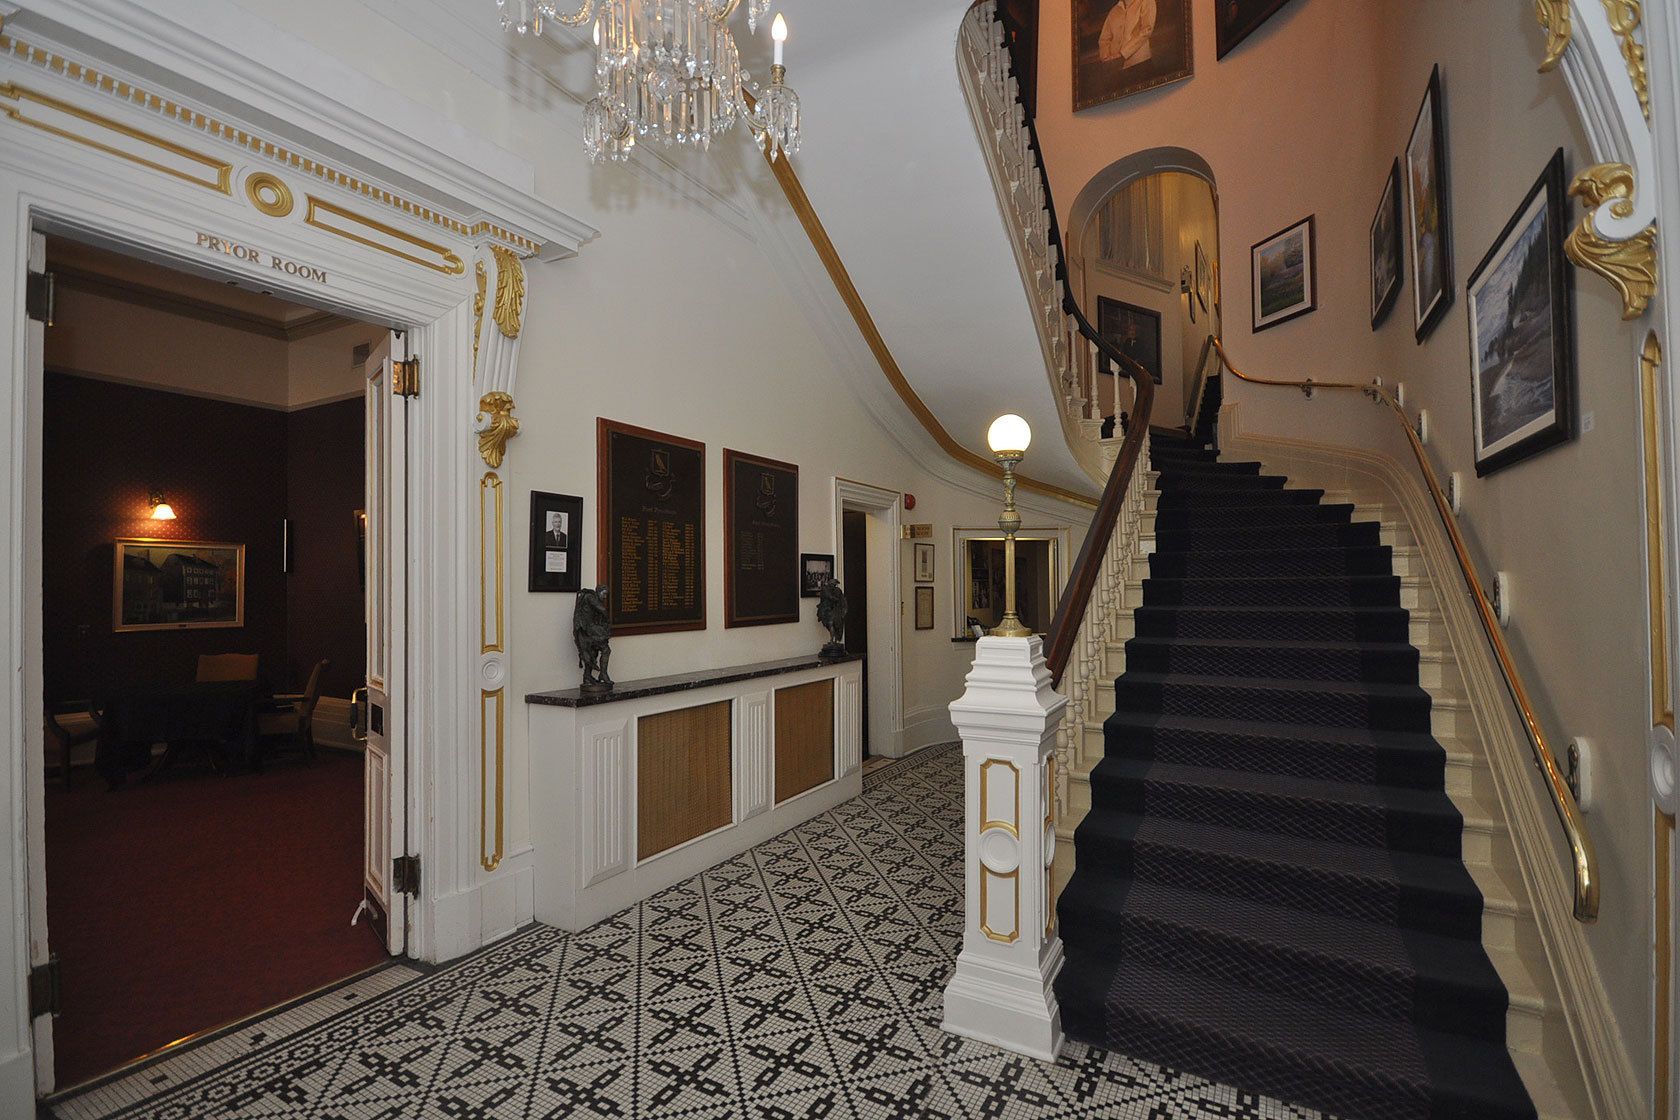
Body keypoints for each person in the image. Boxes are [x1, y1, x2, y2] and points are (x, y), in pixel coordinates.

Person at [1098, 0, 1156, 68]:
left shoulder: (1145, 2)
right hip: (1117, 67)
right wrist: (1106, 57)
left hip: (1139, 62)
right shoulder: (1114, 11)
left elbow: (1146, 30)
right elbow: (1104, 39)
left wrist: (1123, 53)